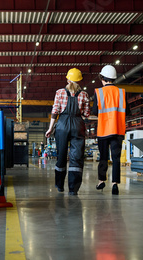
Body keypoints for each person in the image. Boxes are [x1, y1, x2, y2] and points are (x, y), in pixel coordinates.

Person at [46, 68, 90, 195]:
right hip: (78, 125)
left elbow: (55, 111)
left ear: (68, 79)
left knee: (61, 156)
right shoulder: (84, 95)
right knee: (76, 158)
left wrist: (50, 128)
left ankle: (60, 185)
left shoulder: (59, 92)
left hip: (62, 126)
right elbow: (86, 114)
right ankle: (73, 189)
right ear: (80, 80)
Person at [91, 65, 126, 195]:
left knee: (104, 157)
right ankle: (115, 184)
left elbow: (95, 111)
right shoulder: (122, 92)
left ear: (102, 78)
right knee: (116, 158)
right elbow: (126, 111)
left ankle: (101, 181)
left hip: (104, 130)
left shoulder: (99, 92)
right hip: (118, 130)